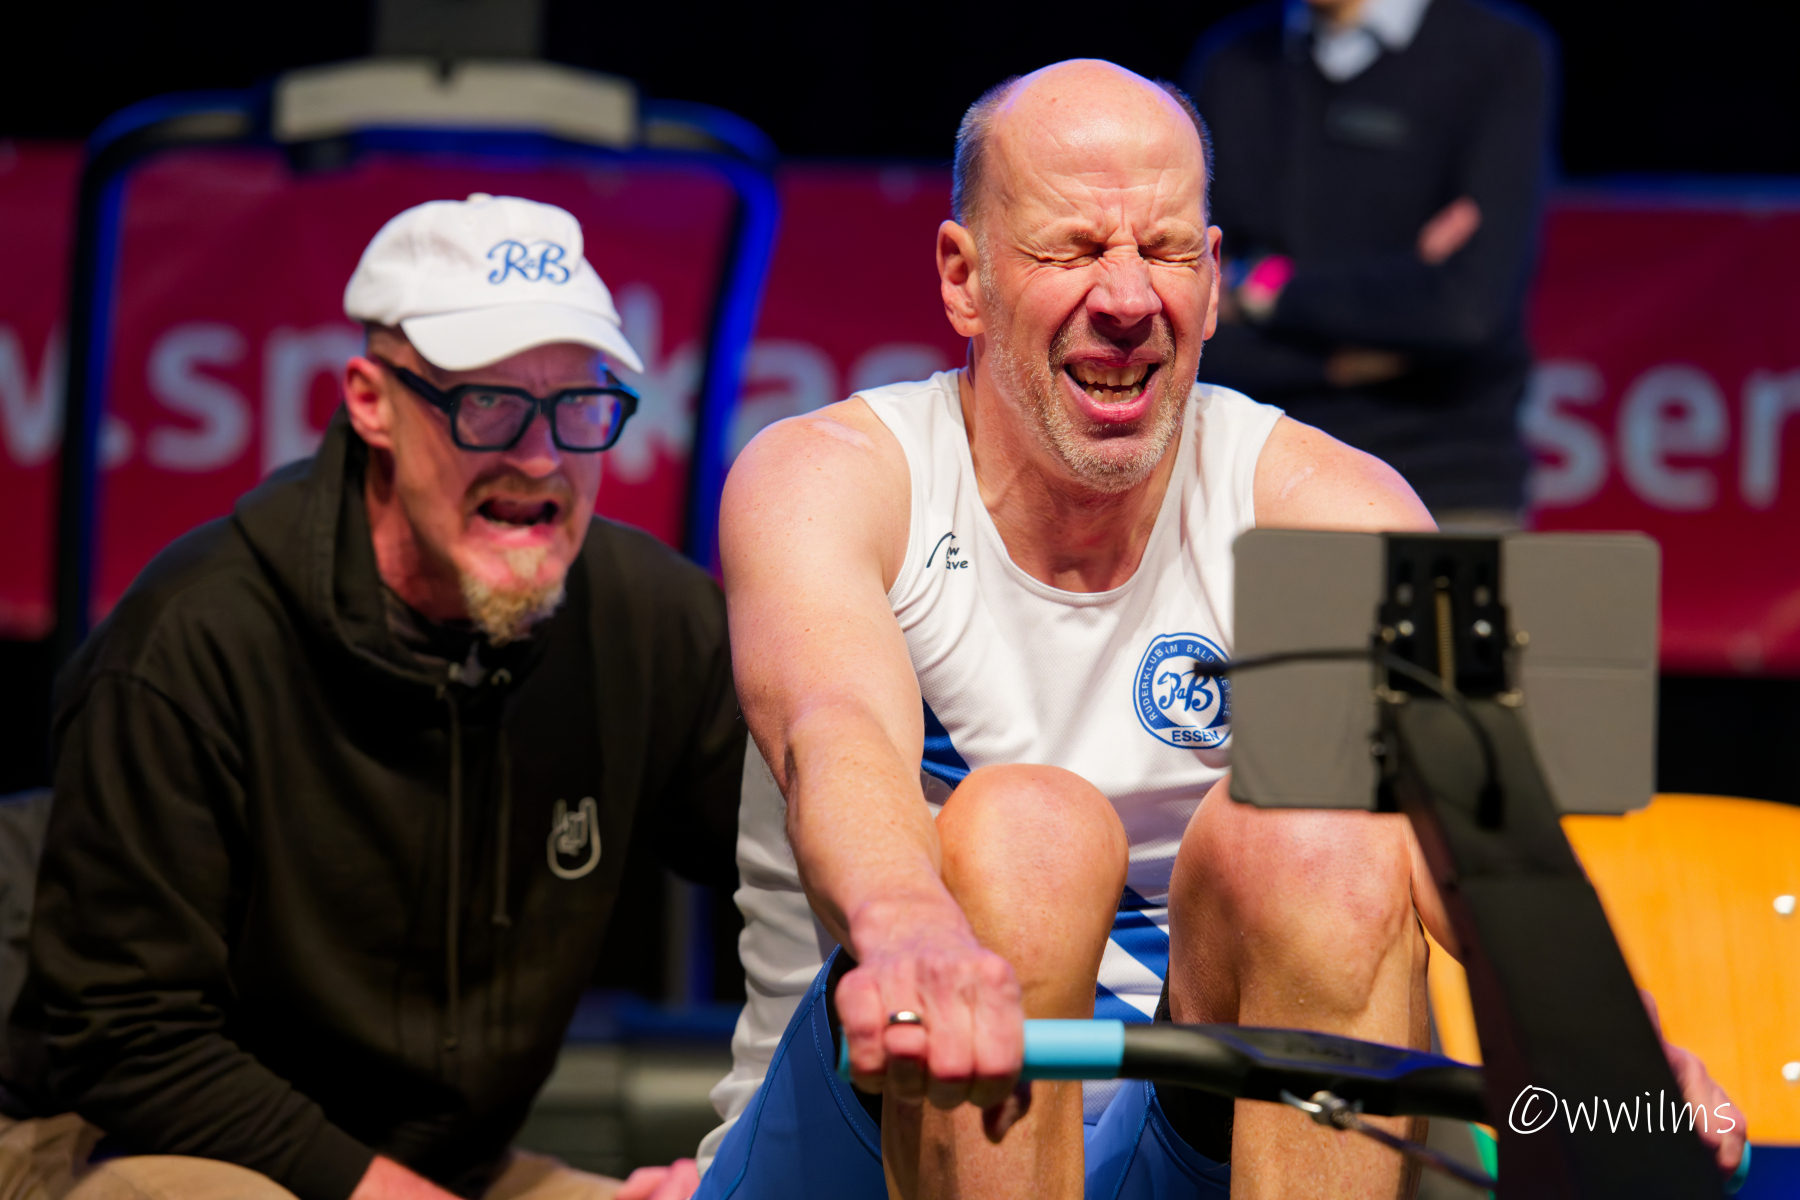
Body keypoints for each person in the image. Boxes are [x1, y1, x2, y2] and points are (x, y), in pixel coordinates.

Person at [694, 60, 1744, 1200]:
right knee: (1028, 832)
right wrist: (911, 934)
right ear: (965, 278)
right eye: (1074, 250)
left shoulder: (1333, 505)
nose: (1128, 298)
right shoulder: (828, 477)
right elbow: (833, 733)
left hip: (1178, 1137)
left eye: (1167, 250)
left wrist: (1608, 1055)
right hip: (863, 1135)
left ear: (1212, 276)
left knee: (1324, 835)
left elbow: (1474, 843)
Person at [0, 195, 742, 1200]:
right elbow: (125, 1040)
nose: (541, 457)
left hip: (442, 1171)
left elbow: (812, 866)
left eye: (580, 404)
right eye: (490, 403)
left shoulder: (646, 617)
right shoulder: (193, 638)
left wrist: (748, 1153)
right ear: (371, 401)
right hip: (123, 1146)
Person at [1184, 0, 1552, 529]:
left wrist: (1267, 293)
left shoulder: (1498, 54)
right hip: (1258, 475)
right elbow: (1198, 326)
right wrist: (1345, 358)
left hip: (1445, 483)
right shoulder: (1234, 60)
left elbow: (1464, 314)